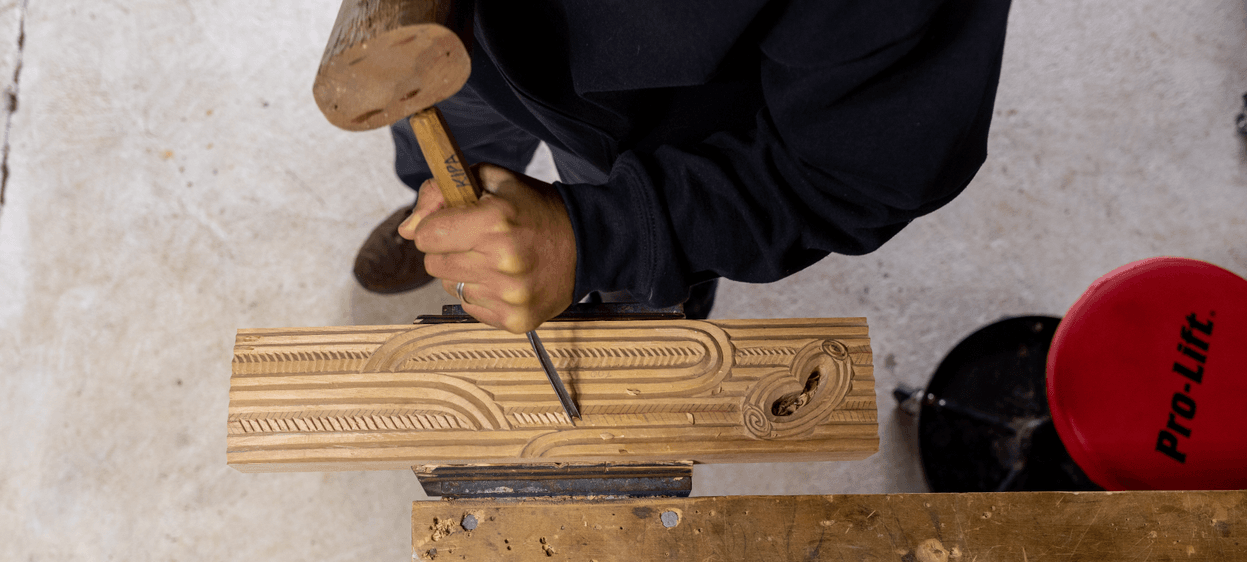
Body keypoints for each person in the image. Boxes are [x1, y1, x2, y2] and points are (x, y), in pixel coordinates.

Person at [353, 0, 1013, 334]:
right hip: (455, 42)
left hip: (655, 131)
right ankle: (442, 224)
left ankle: (612, 273)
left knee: (635, 300)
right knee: (446, 161)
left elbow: (858, 166)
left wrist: (599, 235)